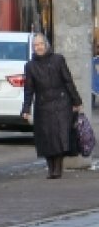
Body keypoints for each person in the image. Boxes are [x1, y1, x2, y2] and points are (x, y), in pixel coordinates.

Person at [21, 33, 84, 179]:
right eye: (35, 45)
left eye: (41, 44)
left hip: (61, 103)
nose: (39, 48)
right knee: (45, 138)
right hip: (42, 105)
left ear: (46, 44)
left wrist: (76, 101)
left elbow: (68, 81)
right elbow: (28, 89)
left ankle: (57, 169)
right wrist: (26, 109)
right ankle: (51, 168)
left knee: (60, 136)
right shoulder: (30, 66)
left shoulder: (58, 59)